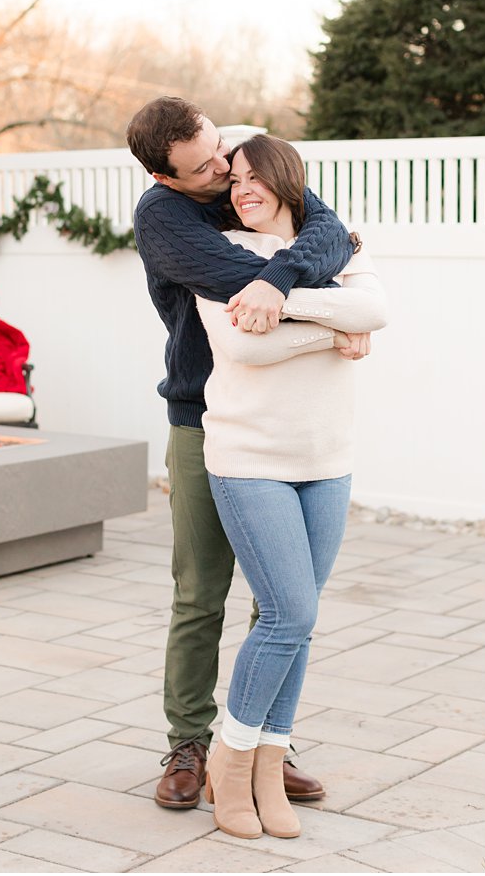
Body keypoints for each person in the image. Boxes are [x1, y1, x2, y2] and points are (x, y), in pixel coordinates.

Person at [125, 97, 355, 813]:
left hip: (283, 420)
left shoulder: (240, 173)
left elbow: (332, 234)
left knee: (282, 601)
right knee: (200, 591)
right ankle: (191, 741)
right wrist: (337, 318)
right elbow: (237, 295)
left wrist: (282, 276)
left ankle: (258, 744)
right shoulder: (162, 218)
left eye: (221, 150)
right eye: (203, 168)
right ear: (166, 177)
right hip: (201, 419)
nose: (225, 171)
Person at [195, 135, 385, 839]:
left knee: (299, 624)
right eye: (233, 179)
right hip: (250, 457)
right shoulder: (223, 253)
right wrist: (331, 325)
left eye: (254, 177)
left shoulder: (336, 241)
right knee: (287, 613)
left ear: (286, 179)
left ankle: (271, 767)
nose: (241, 189)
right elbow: (245, 345)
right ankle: (231, 762)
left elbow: (376, 311)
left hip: (327, 458)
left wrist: (294, 308)